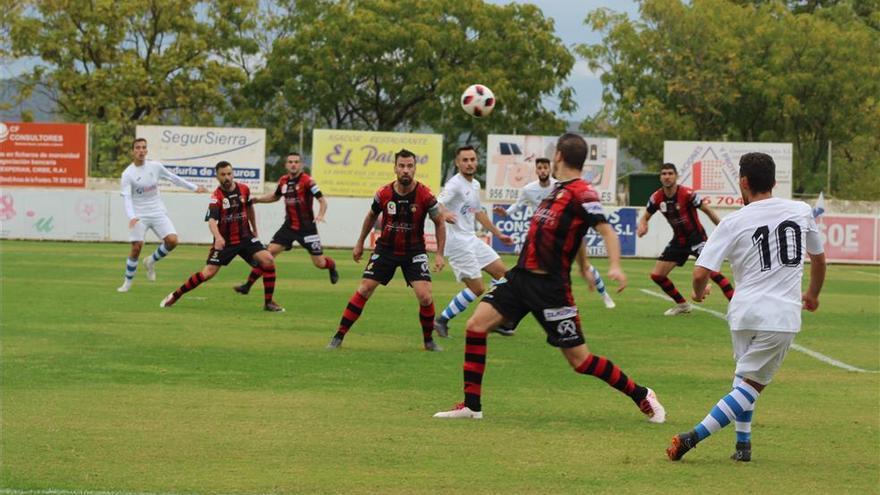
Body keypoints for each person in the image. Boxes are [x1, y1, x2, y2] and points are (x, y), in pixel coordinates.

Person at [434, 133, 666, 423]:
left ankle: (642, 394)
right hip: (520, 278)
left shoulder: (583, 192)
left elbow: (606, 230)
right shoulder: (556, 190)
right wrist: (582, 266)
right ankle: (471, 405)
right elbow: (578, 234)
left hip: (551, 289)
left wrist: (615, 265)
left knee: (580, 361)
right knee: (476, 326)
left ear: (558, 156)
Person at [666, 152, 826, 462]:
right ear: (774, 182)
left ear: (743, 182)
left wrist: (699, 292)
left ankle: (743, 445)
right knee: (751, 385)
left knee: (743, 380)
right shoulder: (801, 210)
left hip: (742, 314)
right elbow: (819, 259)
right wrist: (813, 294)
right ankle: (693, 436)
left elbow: (700, 273)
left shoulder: (733, 221)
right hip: (780, 315)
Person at [326, 149, 448, 351]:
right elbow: (371, 217)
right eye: (402, 166)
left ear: (415, 168)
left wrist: (440, 254)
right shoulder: (383, 193)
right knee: (364, 289)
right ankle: (338, 336)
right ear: (395, 168)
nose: (405, 170)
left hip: (414, 251)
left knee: (425, 296)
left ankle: (429, 341)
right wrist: (359, 243)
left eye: (410, 166)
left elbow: (440, 222)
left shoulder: (425, 195)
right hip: (386, 249)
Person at [160, 161, 284, 312]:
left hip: (246, 237)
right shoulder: (216, 196)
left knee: (268, 260)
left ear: (233, 174)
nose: (227, 177)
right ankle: (176, 295)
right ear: (217, 176)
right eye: (223, 175)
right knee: (208, 273)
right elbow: (211, 221)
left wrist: (255, 230)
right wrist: (218, 238)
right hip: (227, 242)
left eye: (229, 174)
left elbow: (250, 207)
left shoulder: (244, 189)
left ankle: (268, 303)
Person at [494, 157, 616, 309]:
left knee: (584, 266)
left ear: (550, 169)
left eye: (545, 167)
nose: (543, 170)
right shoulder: (528, 189)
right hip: (538, 237)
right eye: (540, 168)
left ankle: (604, 294)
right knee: (525, 271)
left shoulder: (558, 186)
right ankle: (513, 314)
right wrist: (505, 213)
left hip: (560, 235)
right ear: (536, 170)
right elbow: (518, 206)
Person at [433, 146, 516, 338]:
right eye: (465, 160)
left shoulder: (475, 185)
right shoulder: (454, 184)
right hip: (458, 243)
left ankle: (495, 320)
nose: (469, 163)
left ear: (476, 161)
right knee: (477, 288)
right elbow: (438, 202)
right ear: (457, 163)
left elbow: (478, 212)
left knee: (505, 276)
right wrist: (444, 213)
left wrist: (498, 234)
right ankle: (442, 320)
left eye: (472, 159)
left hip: (471, 239)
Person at [233, 152, 339, 295]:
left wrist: (320, 214)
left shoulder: (308, 181)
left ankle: (332, 266)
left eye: (296, 162)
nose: (293, 164)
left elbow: (322, 200)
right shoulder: (283, 181)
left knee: (319, 263)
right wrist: (257, 200)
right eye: (290, 162)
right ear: (286, 165)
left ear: (301, 165)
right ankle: (247, 286)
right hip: (289, 227)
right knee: (267, 255)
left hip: (307, 228)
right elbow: (275, 197)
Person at [636, 163, 734, 315]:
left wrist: (723, 230)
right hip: (679, 241)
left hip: (697, 239)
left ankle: (735, 305)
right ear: (660, 177)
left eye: (670, 173)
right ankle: (683, 305)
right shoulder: (656, 198)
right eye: (664, 174)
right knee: (657, 275)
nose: (667, 177)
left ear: (676, 176)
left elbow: (707, 210)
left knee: (713, 273)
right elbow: (645, 217)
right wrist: (643, 225)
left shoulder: (687, 194)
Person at [117, 137, 207, 292]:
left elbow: (173, 178)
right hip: (139, 215)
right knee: (136, 247)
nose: (141, 150)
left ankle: (150, 261)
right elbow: (127, 198)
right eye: (137, 148)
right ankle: (127, 282)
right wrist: (132, 216)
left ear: (147, 150)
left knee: (172, 241)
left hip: (157, 211)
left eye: (144, 147)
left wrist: (193, 187)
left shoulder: (155, 166)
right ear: (133, 151)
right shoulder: (128, 174)